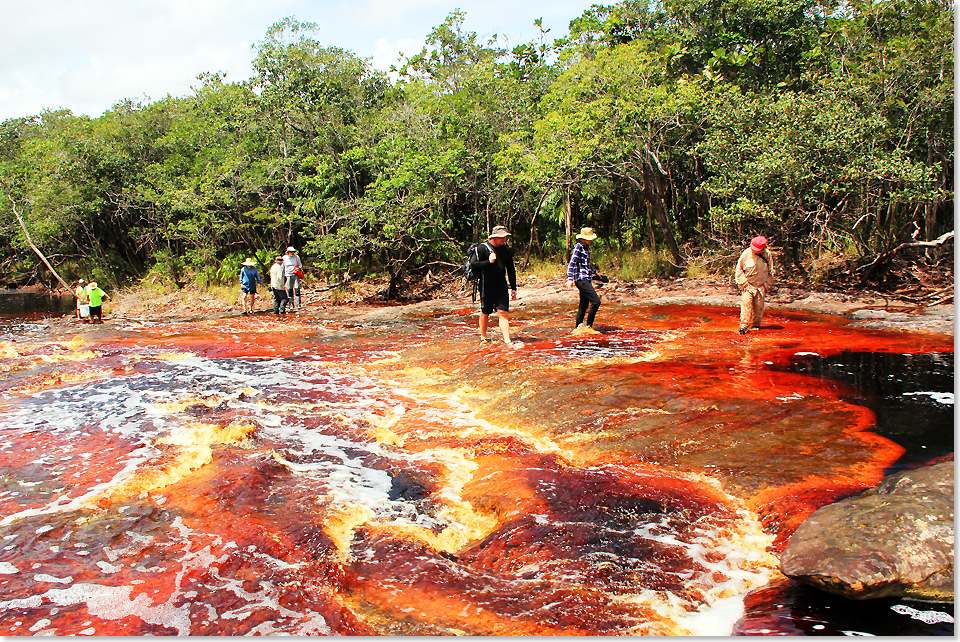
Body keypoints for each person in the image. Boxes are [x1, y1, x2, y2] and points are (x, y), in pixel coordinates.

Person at [469, 225, 518, 346]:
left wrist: (513, 288)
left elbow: (511, 269)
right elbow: (473, 265)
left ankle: (507, 340)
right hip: (487, 286)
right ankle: (483, 338)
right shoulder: (482, 249)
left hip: (501, 286)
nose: (503, 240)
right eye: (501, 238)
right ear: (494, 237)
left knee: (503, 312)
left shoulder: (506, 250)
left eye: (505, 237)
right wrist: (489, 262)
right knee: (486, 312)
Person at [565, 227, 607, 335]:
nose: (590, 240)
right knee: (596, 302)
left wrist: (595, 272)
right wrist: (570, 278)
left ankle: (578, 329)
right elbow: (571, 264)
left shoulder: (586, 247)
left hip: (586, 278)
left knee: (583, 305)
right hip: (581, 280)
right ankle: (589, 327)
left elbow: (585, 265)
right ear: (584, 238)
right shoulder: (578, 247)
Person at [734, 235, 775, 334]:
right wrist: (745, 284)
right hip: (748, 285)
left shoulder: (767, 254)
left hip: (761, 286)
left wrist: (766, 285)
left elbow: (771, 271)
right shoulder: (746, 254)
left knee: (759, 306)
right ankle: (744, 326)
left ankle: (756, 326)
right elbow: (739, 271)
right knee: (746, 305)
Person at [282, 247, 303, 311]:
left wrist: (298, 268)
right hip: (288, 275)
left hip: (295, 275)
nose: (292, 253)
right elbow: (282, 267)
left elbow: (300, 265)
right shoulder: (284, 258)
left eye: (293, 251)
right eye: (291, 252)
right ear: (288, 252)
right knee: (289, 290)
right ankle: (291, 305)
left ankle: (298, 304)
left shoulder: (297, 257)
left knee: (297, 289)